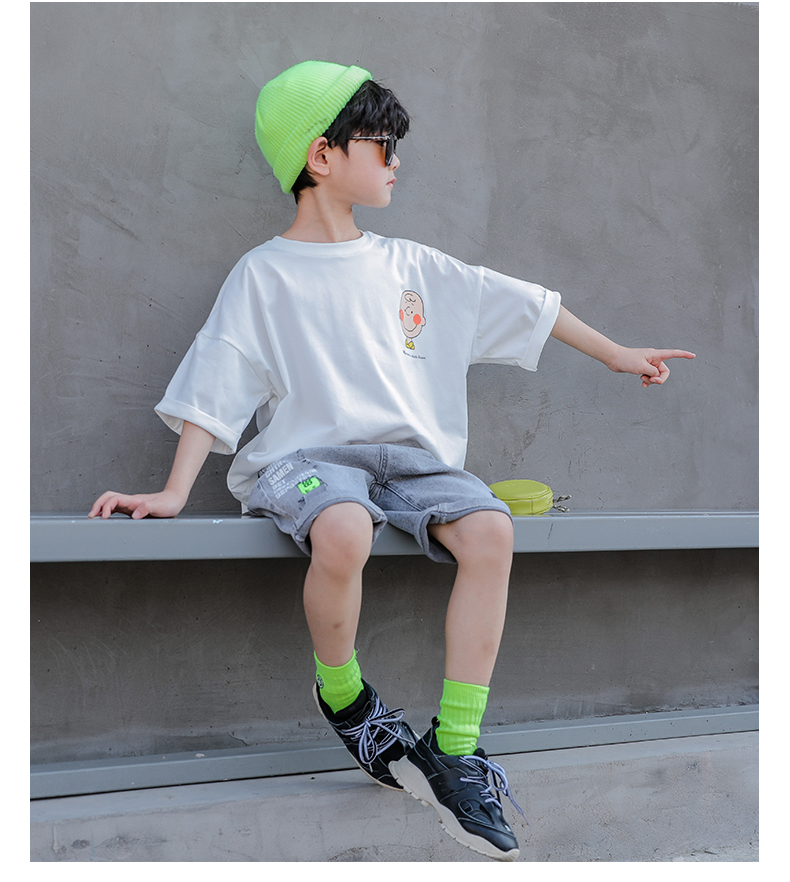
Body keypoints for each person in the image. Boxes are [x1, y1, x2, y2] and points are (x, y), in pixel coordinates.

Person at [89, 60, 695, 861]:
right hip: (306, 461)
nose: (397, 162)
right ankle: (344, 694)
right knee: (344, 529)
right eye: (383, 145)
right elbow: (217, 378)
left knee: (491, 531)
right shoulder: (264, 275)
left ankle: (455, 746)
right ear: (321, 155)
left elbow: (526, 303)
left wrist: (616, 353)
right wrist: (173, 490)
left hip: (410, 463)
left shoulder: (413, 267)